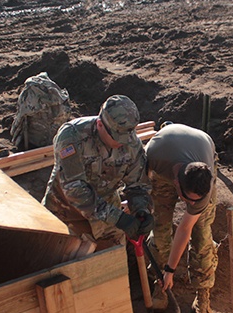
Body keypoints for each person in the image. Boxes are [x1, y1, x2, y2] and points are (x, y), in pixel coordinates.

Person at [42, 95, 154, 251]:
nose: (122, 143)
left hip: (107, 213)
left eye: (127, 137)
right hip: (66, 212)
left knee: (111, 263)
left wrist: (142, 209)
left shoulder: (131, 143)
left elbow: (138, 185)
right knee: (64, 262)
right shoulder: (72, 137)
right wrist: (117, 217)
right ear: (100, 124)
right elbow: (74, 188)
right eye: (117, 137)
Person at [146, 123, 218, 313]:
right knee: (160, 228)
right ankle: (160, 283)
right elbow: (137, 184)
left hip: (201, 149)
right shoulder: (154, 156)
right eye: (188, 200)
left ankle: (203, 297)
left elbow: (185, 228)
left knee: (202, 235)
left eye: (196, 201)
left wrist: (172, 269)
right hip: (162, 169)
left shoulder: (204, 184)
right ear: (176, 184)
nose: (192, 204)